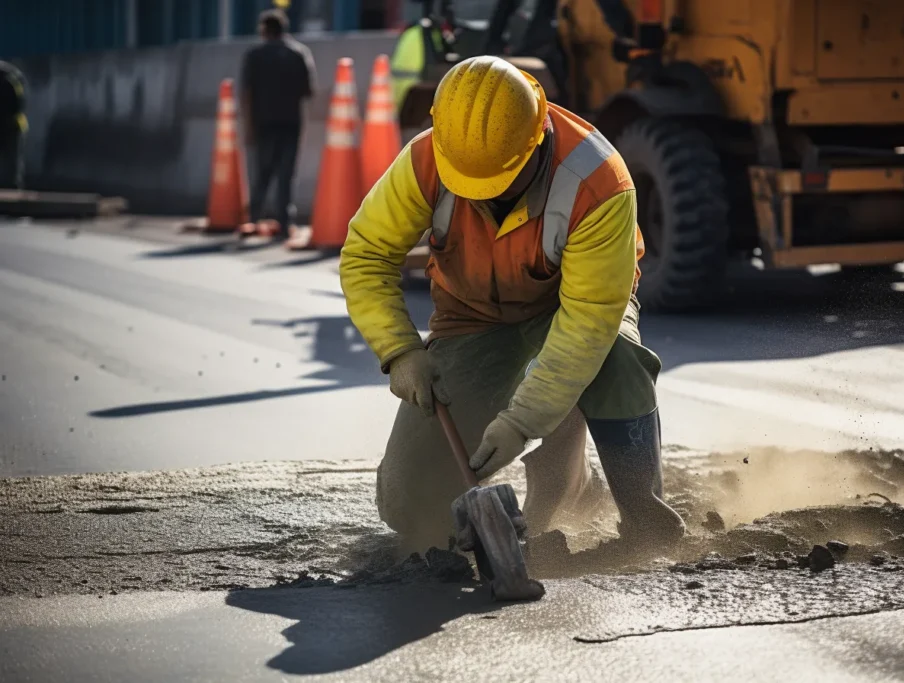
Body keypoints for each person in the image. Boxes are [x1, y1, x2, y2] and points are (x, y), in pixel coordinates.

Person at [340, 55, 685, 554]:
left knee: (615, 357)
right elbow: (366, 254)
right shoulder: (428, 159)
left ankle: (645, 519)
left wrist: (521, 423)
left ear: (535, 142)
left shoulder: (599, 181)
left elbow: (588, 321)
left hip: (570, 314)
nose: (483, 199)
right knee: (407, 506)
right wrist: (400, 350)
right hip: (472, 318)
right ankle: (568, 464)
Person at [239, 9, 316, 240]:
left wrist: (248, 125)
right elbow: (308, 90)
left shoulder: (254, 55)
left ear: (264, 30)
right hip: (291, 121)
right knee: (286, 174)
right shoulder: (299, 53)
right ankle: (284, 223)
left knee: (262, 173)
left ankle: (253, 218)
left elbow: (246, 92)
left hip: (263, 122)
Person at [0, 60, 27, 190]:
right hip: (13, 122)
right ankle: (12, 187)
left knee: (12, 161)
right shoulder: (12, 73)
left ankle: (12, 188)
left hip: (12, 123)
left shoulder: (8, 74)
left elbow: (19, 100)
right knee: (12, 161)